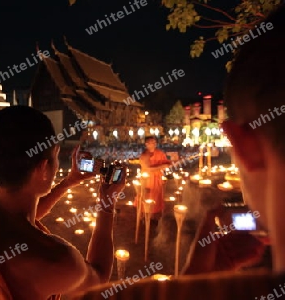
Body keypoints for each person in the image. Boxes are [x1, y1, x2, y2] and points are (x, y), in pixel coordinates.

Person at [74, 4, 285, 299]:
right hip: (150, 183)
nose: (150, 145)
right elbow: (148, 167)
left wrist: (194, 283)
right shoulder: (147, 155)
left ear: (242, 148)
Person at [0, 106, 126, 299]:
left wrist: (70, 181)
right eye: (55, 156)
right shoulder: (56, 260)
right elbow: (99, 277)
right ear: (43, 167)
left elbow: (24, 216)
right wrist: (107, 203)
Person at [138, 137, 171, 218]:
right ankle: (144, 215)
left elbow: (167, 164)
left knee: (157, 198)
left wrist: (170, 164)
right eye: (151, 142)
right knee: (146, 196)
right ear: (146, 144)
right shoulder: (144, 155)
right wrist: (161, 167)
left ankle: (155, 216)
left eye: (155, 142)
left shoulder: (160, 153)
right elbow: (147, 168)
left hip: (157, 179)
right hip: (147, 180)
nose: (154, 144)